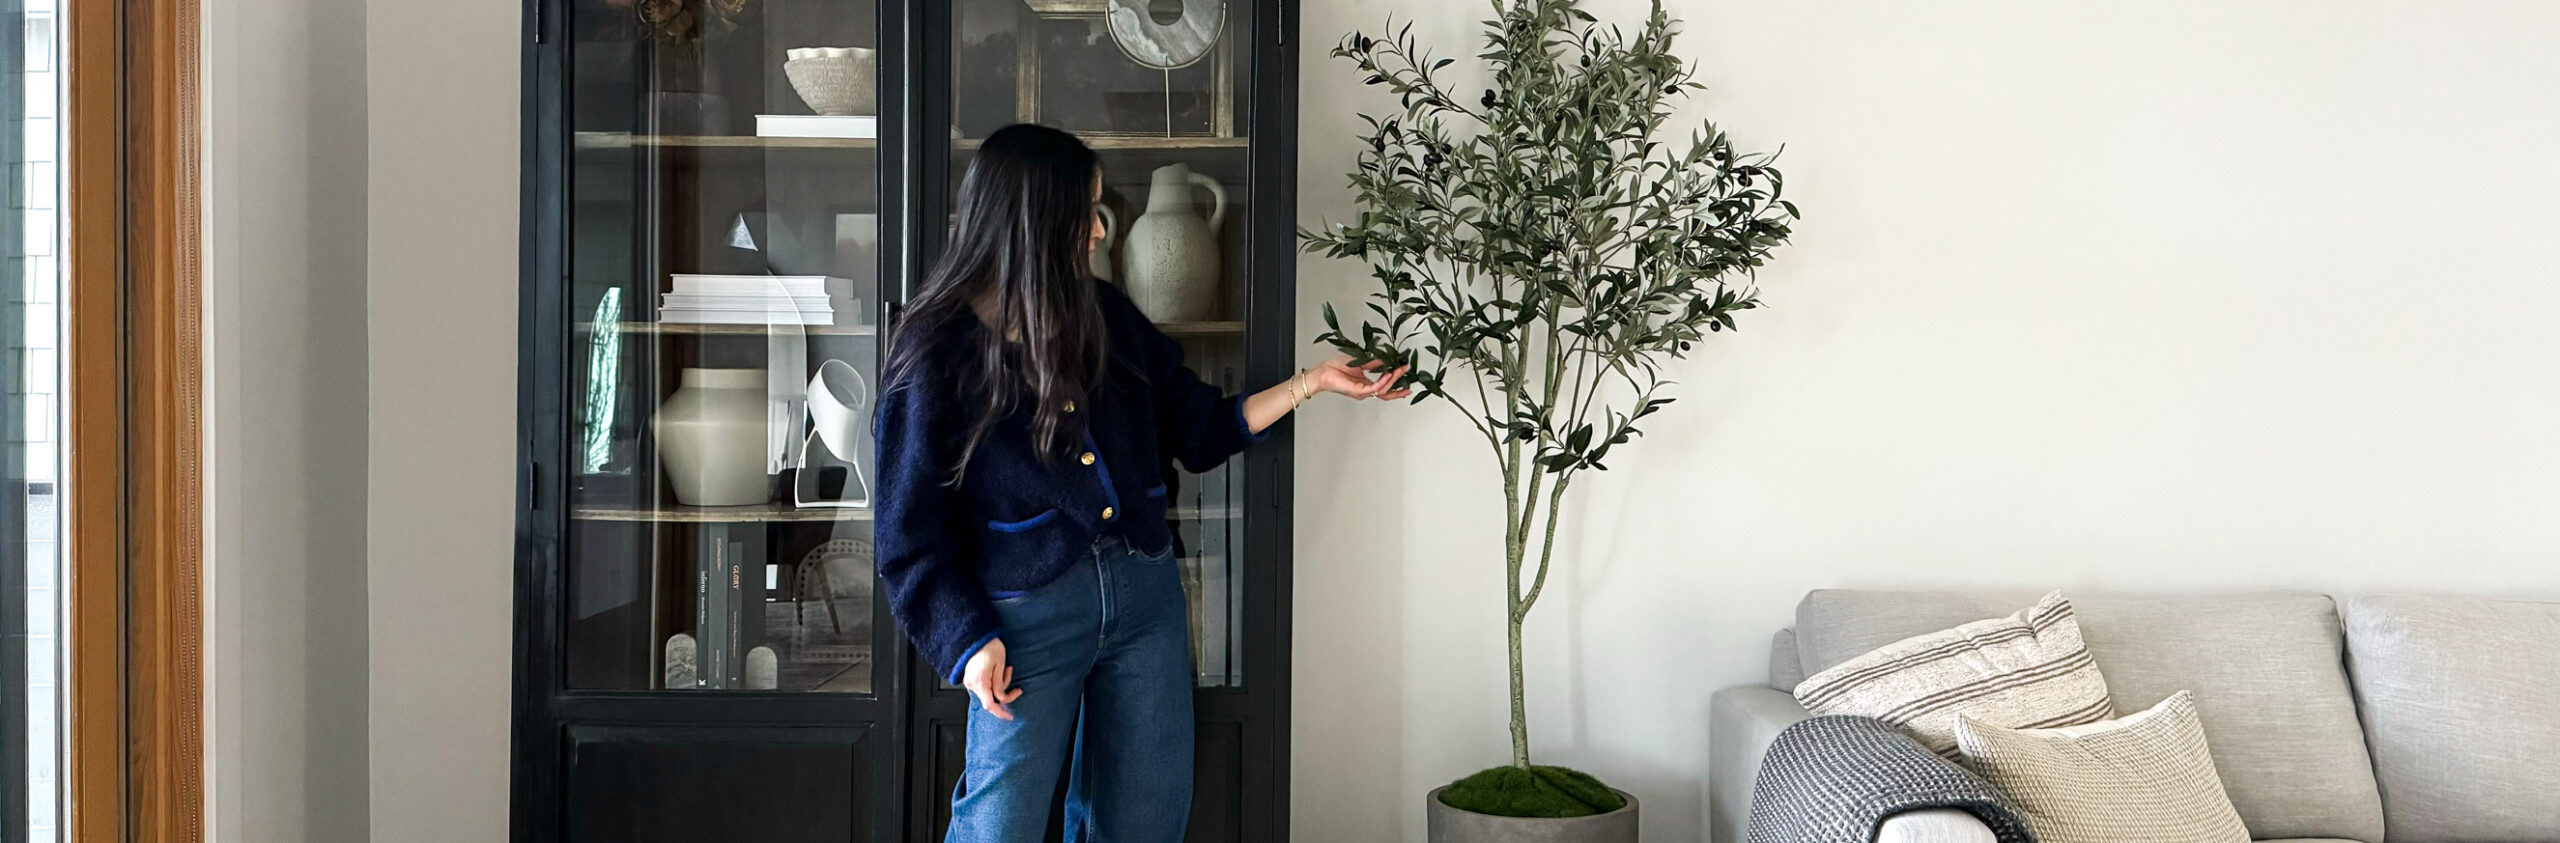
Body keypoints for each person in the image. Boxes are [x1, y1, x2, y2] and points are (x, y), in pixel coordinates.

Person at [874, 123, 1407, 842]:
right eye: (1084, 211)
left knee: (1145, 819)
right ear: (1034, 218)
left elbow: (1201, 426)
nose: (1098, 230)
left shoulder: (1107, 317)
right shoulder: (933, 350)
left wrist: (1311, 383)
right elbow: (908, 535)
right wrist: (966, 644)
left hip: (1145, 600)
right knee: (999, 825)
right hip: (1024, 619)